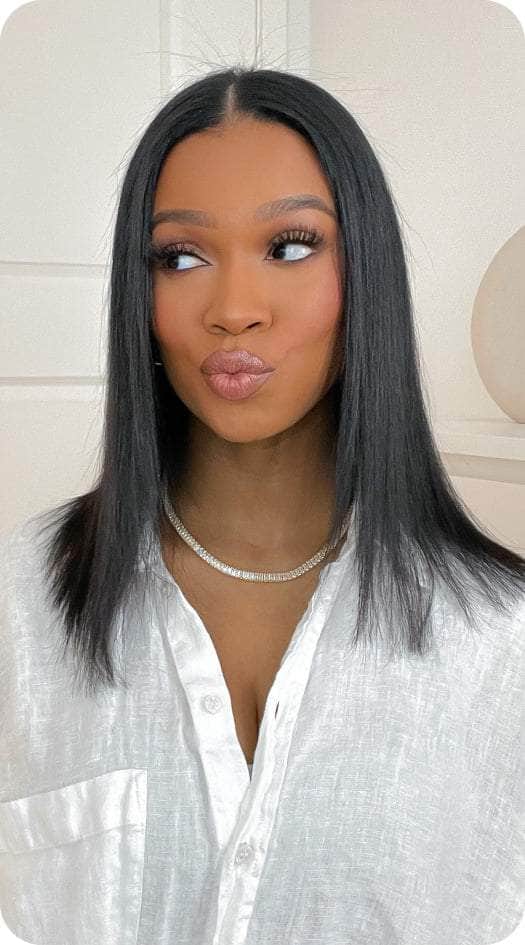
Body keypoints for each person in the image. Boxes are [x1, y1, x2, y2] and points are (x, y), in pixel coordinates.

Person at [1, 65, 524, 945]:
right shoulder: (21, 600)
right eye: (180, 256)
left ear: (366, 275)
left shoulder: (502, 645)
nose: (233, 310)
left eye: (289, 246)